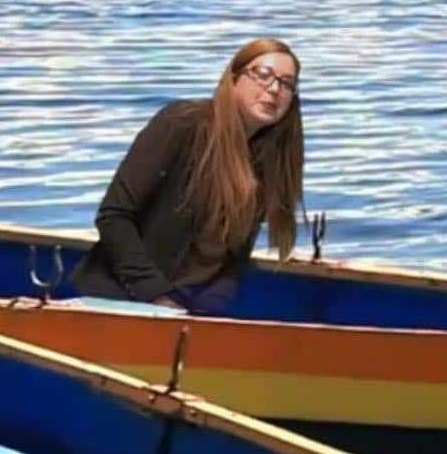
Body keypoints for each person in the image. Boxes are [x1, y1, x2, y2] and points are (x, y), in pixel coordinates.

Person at [68, 38, 305, 313]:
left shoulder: (271, 160)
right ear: (234, 78)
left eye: (287, 83)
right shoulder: (181, 123)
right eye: (263, 75)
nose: (274, 89)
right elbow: (114, 216)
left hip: (192, 310)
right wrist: (157, 296)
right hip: (118, 299)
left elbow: (233, 259)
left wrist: (209, 311)